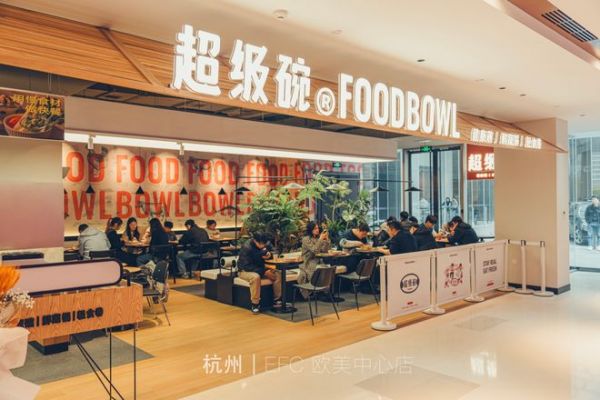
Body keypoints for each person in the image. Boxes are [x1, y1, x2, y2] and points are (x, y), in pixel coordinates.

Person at [237, 232, 282, 314]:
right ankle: (255, 304)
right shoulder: (247, 247)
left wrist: (269, 255)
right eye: (260, 244)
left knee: (278, 274)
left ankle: (277, 300)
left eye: (264, 244)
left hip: (260, 268)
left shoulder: (265, 243)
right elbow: (246, 266)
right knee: (256, 277)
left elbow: (273, 251)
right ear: (254, 240)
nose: (263, 246)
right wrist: (264, 272)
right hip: (244, 271)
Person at [298, 221, 331, 298]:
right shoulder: (306, 239)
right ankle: (317, 292)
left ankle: (324, 292)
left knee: (327, 269)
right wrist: (320, 239)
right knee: (315, 270)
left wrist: (326, 240)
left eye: (318, 228)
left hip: (319, 261)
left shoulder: (318, 238)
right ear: (310, 229)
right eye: (315, 228)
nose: (317, 230)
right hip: (308, 262)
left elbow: (325, 251)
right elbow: (315, 250)